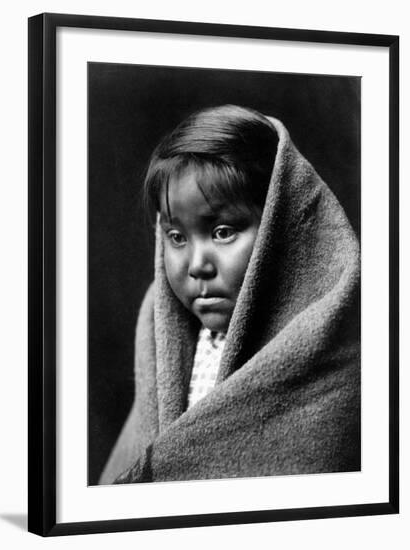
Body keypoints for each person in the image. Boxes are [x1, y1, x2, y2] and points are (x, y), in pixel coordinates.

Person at [99, 105, 361, 484]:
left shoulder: (332, 350)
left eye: (223, 232)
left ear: (280, 228)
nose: (197, 264)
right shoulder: (160, 335)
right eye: (176, 237)